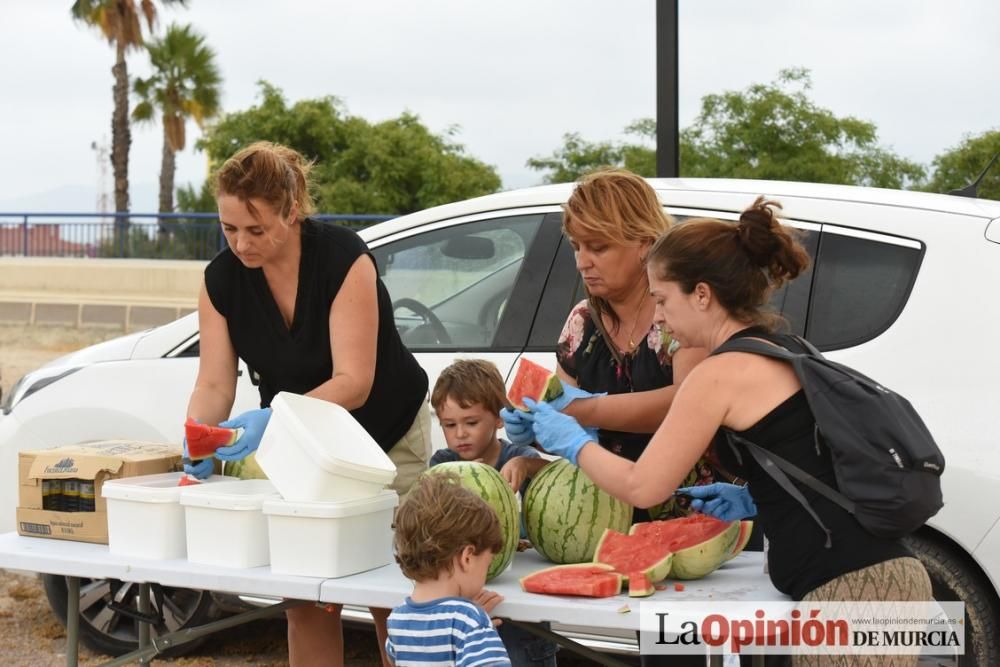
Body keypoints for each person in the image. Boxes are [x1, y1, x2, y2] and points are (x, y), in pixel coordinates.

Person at [523, 197, 933, 667]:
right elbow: (811, 456)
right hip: (877, 582)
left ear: (701, 294)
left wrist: (571, 441)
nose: (658, 317)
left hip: (853, 594)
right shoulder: (778, 347)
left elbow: (643, 486)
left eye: (662, 300)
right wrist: (757, 497)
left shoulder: (718, 373)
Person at [183, 141, 431, 667]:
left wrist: (274, 415)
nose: (241, 245)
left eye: (256, 229)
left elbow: (354, 381)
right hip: (301, 450)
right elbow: (213, 383)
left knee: (396, 594)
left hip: (384, 433)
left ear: (292, 211)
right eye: (229, 230)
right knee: (307, 597)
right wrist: (198, 437)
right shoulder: (220, 281)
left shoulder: (343, 258)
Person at [502, 168, 713, 523]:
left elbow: (686, 404)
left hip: (691, 512)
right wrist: (535, 431)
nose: (583, 262)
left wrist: (583, 408)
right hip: (602, 517)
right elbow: (571, 437)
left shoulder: (679, 314)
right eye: (576, 247)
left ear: (645, 242)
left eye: (598, 247)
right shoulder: (581, 323)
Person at [428, 359, 558, 667]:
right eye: (449, 425)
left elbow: (556, 475)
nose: (460, 434)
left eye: (471, 423)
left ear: (499, 419)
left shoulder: (516, 455)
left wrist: (527, 466)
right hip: (465, 597)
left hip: (520, 601)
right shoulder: (442, 464)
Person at [387, 472, 511, 667]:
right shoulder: (470, 622)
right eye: (487, 564)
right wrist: (478, 627)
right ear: (467, 557)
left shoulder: (397, 618)